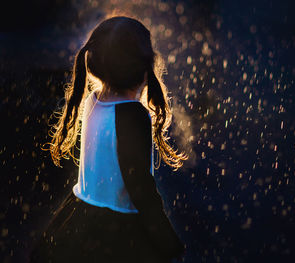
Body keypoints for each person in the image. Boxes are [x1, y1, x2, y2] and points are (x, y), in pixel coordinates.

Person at [29, 15, 188, 263]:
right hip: (117, 233)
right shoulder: (132, 116)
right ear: (144, 68)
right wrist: (168, 243)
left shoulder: (94, 99)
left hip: (80, 220)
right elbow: (141, 188)